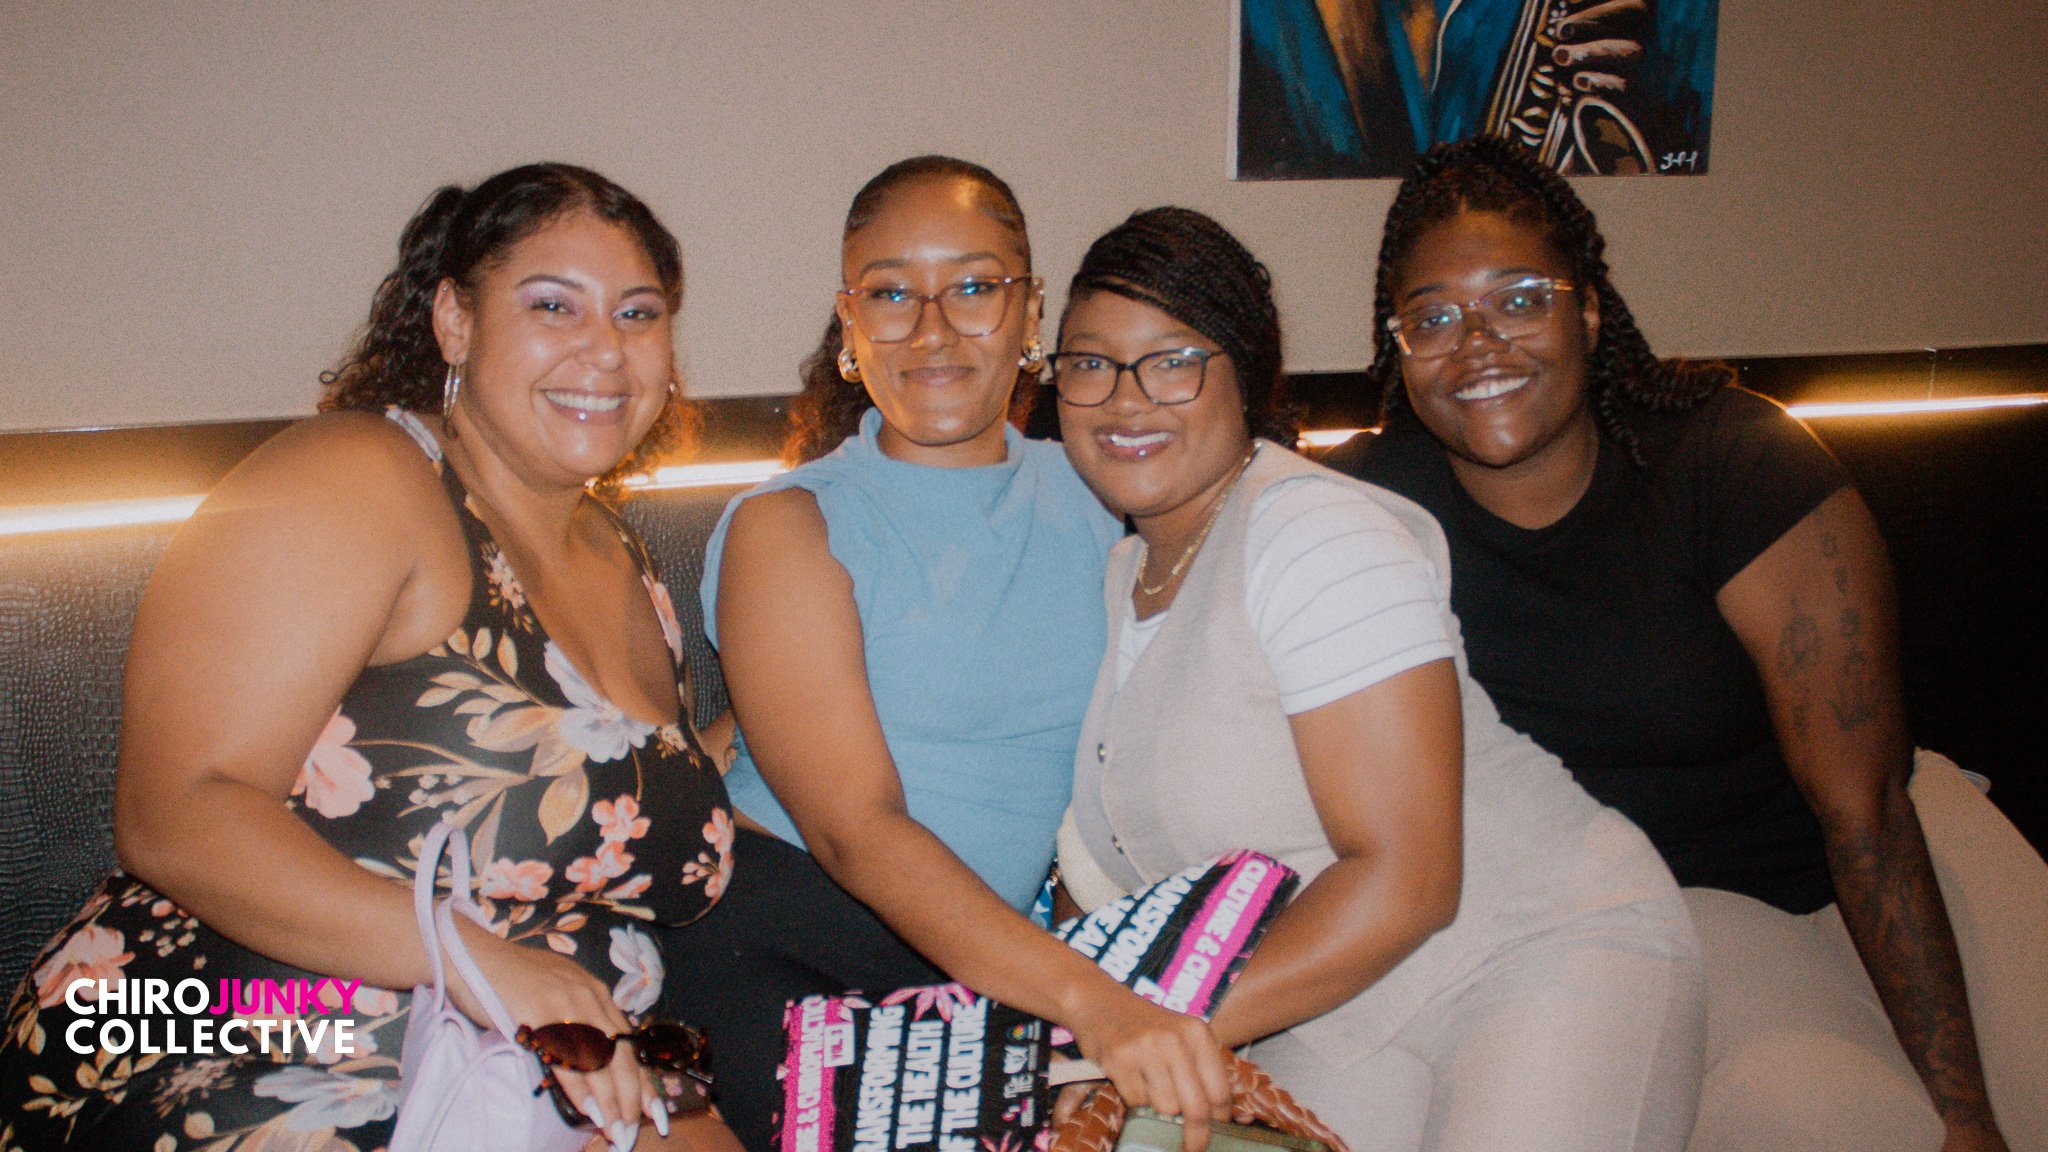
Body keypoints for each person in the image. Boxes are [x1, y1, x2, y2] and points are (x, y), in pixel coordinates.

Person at [0, 164, 737, 1152]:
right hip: (228, 1031)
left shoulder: (628, 563)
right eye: (553, 305)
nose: (604, 348)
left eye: (638, 314)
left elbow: (631, 806)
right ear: (454, 322)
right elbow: (176, 812)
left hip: (528, 1072)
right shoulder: (359, 479)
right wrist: (476, 964)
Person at [1333, 136, 2047, 1151]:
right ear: (1397, 349)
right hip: (1614, 912)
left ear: (1585, 311)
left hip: (1822, 869)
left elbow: (1864, 813)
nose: (1476, 343)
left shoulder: (1729, 463)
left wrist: (1965, 1111)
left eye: (1518, 298)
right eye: (1432, 318)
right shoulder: (1364, 508)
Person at [1052, 206, 1705, 1152]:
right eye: (1088, 363)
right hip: (1338, 1011)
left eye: (1174, 358)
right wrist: (1087, 1045)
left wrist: (1155, 1039)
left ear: (1248, 378)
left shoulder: (1316, 535)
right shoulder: (1126, 577)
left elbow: (1409, 881)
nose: (1125, 397)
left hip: (1539, 950)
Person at [661, 157, 1267, 1152]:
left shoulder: (1114, 490)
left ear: (1030, 313)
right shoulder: (788, 523)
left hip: (989, 966)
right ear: (848, 324)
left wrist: (1085, 985)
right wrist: (1090, 1006)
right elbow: (854, 830)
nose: (931, 328)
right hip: (781, 926)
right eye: (891, 293)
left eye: (974, 287)